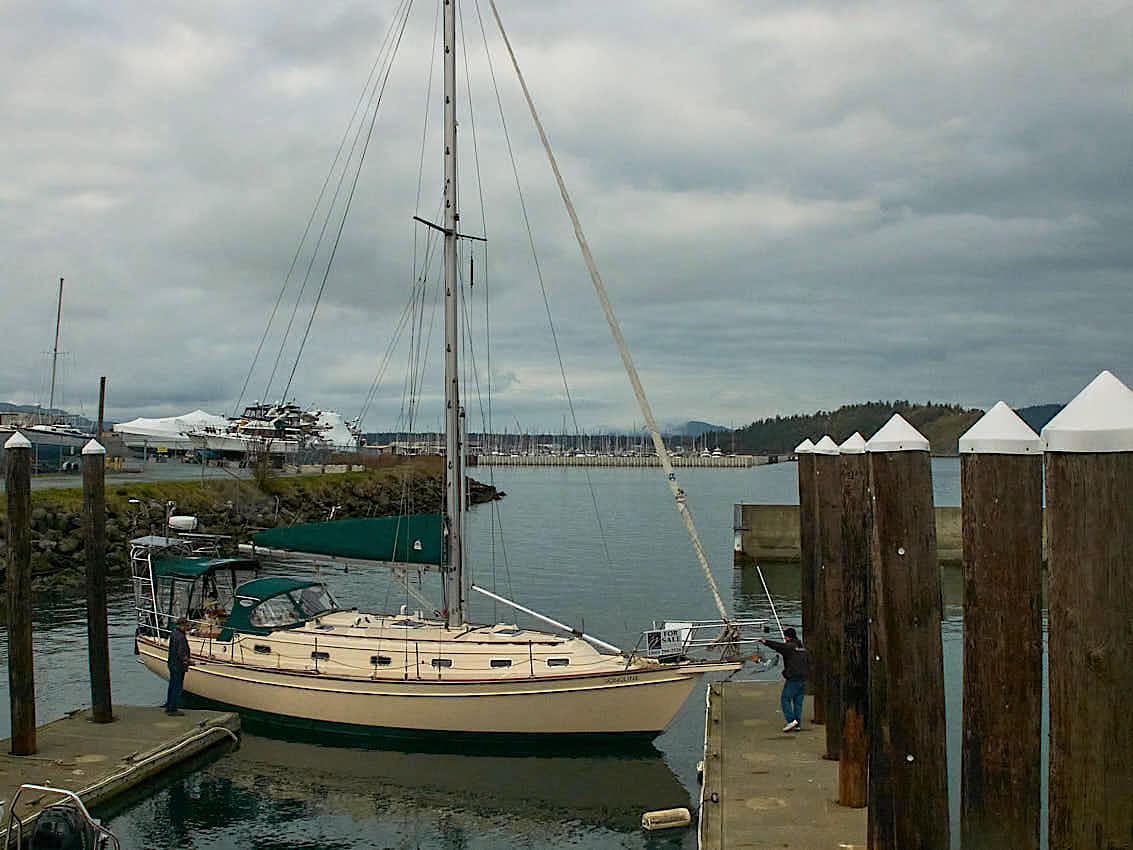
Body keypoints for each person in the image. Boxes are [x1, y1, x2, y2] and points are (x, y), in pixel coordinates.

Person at [761, 627, 808, 732]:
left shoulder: (788, 647)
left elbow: (777, 646)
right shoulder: (802, 647)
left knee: (785, 699)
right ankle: (797, 724)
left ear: (786, 637)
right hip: (804, 678)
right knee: (798, 702)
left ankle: (791, 721)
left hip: (794, 678)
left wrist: (765, 641)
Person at [165, 617, 192, 716]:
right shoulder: (180, 637)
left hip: (172, 664)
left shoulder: (174, 633)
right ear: (181, 625)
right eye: (186, 626)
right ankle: (173, 710)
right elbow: (181, 653)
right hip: (178, 666)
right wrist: (188, 661)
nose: (187, 628)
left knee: (172, 686)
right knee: (177, 688)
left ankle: (169, 706)